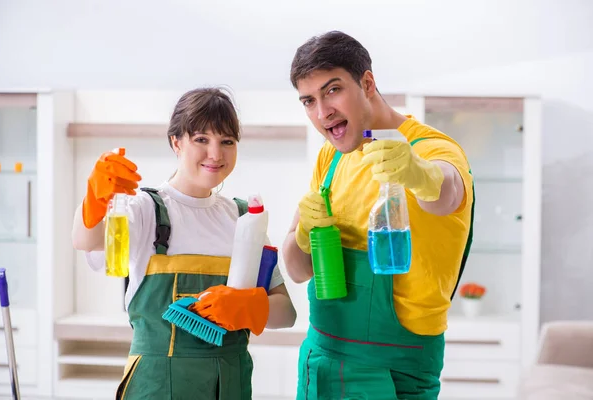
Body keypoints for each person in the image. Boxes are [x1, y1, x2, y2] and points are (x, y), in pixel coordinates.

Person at [283, 31, 474, 400]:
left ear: (367, 83)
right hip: (322, 360)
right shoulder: (332, 157)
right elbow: (297, 270)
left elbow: (448, 191)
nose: (322, 113)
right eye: (309, 101)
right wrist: (303, 233)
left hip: (396, 369)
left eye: (332, 90)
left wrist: (420, 174)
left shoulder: (433, 148)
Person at [72, 87, 297, 400]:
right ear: (176, 142)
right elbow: (87, 241)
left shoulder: (245, 219)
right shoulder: (145, 208)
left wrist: (248, 308)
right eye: (201, 139)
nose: (215, 154)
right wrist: (95, 198)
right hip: (157, 386)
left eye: (227, 141)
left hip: (229, 385)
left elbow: (287, 313)